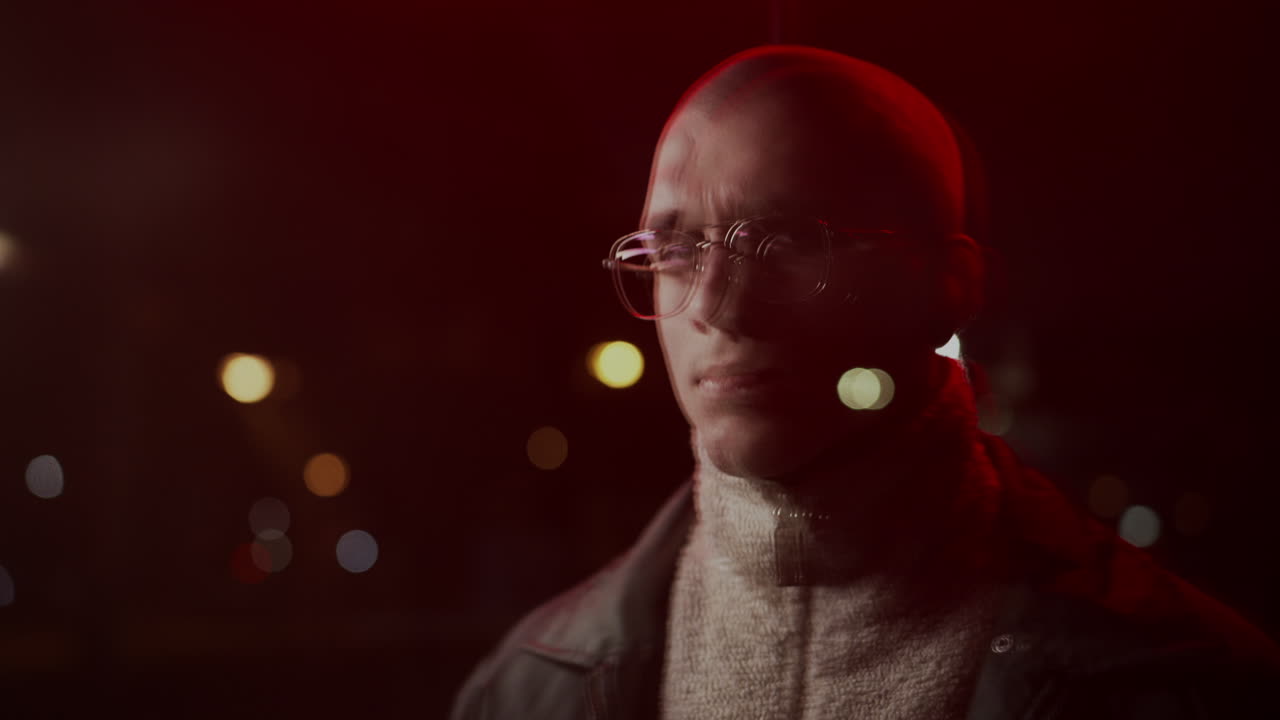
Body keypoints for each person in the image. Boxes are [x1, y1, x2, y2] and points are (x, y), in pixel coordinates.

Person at [450, 46, 1279, 719]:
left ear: (946, 285)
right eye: (675, 250)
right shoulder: (529, 688)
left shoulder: (1188, 685)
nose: (716, 307)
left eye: (780, 244)